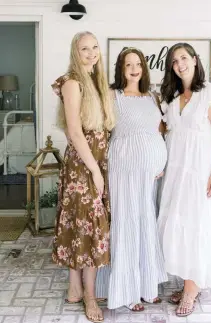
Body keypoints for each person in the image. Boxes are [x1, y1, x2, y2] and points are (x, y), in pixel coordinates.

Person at [157, 43, 211, 317]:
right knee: (178, 227)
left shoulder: (210, 93)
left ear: (194, 60)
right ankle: (190, 281)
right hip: (177, 175)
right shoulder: (171, 97)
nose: (180, 64)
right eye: (174, 60)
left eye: (183, 58)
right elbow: (163, 133)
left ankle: (191, 291)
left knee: (197, 228)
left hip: (201, 174)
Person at [51, 31, 115, 322]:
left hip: (95, 162)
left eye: (94, 47)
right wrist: (94, 171)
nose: (91, 53)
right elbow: (75, 132)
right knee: (88, 227)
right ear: (75, 53)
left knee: (82, 225)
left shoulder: (95, 82)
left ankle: (75, 287)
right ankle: (89, 296)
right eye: (84, 49)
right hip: (83, 165)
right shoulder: (73, 83)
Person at [106, 47, 168, 311]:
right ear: (121, 69)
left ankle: (147, 285)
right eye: (128, 64)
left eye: (138, 64)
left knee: (146, 222)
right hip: (124, 170)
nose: (134, 69)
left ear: (144, 68)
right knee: (127, 222)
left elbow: (160, 131)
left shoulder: (152, 97)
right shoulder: (112, 96)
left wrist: (159, 159)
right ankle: (128, 291)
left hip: (150, 173)